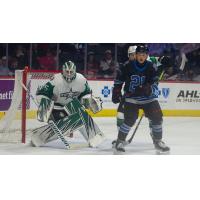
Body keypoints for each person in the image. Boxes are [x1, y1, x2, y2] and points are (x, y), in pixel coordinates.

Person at [31, 61, 104, 148]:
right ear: (63, 71)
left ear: (75, 71)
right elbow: (41, 94)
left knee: (81, 112)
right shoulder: (55, 80)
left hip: (71, 106)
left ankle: (94, 136)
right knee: (69, 122)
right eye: (67, 72)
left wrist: (89, 101)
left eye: (71, 72)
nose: (69, 74)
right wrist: (45, 108)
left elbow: (86, 94)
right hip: (56, 108)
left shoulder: (81, 79)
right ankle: (41, 137)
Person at [112, 45, 170, 153]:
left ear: (147, 55)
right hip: (131, 98)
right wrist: (116, 91)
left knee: (157, 118)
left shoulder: (151, 66)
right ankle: (120, 141)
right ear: (136, 55)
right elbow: (119, 80)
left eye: (144, 55)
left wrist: (150, 89)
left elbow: (154, 82)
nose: (141, 57)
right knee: (130, 120)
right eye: (139, 54)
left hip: (149, 99)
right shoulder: (127, 66)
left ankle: (158, 141)